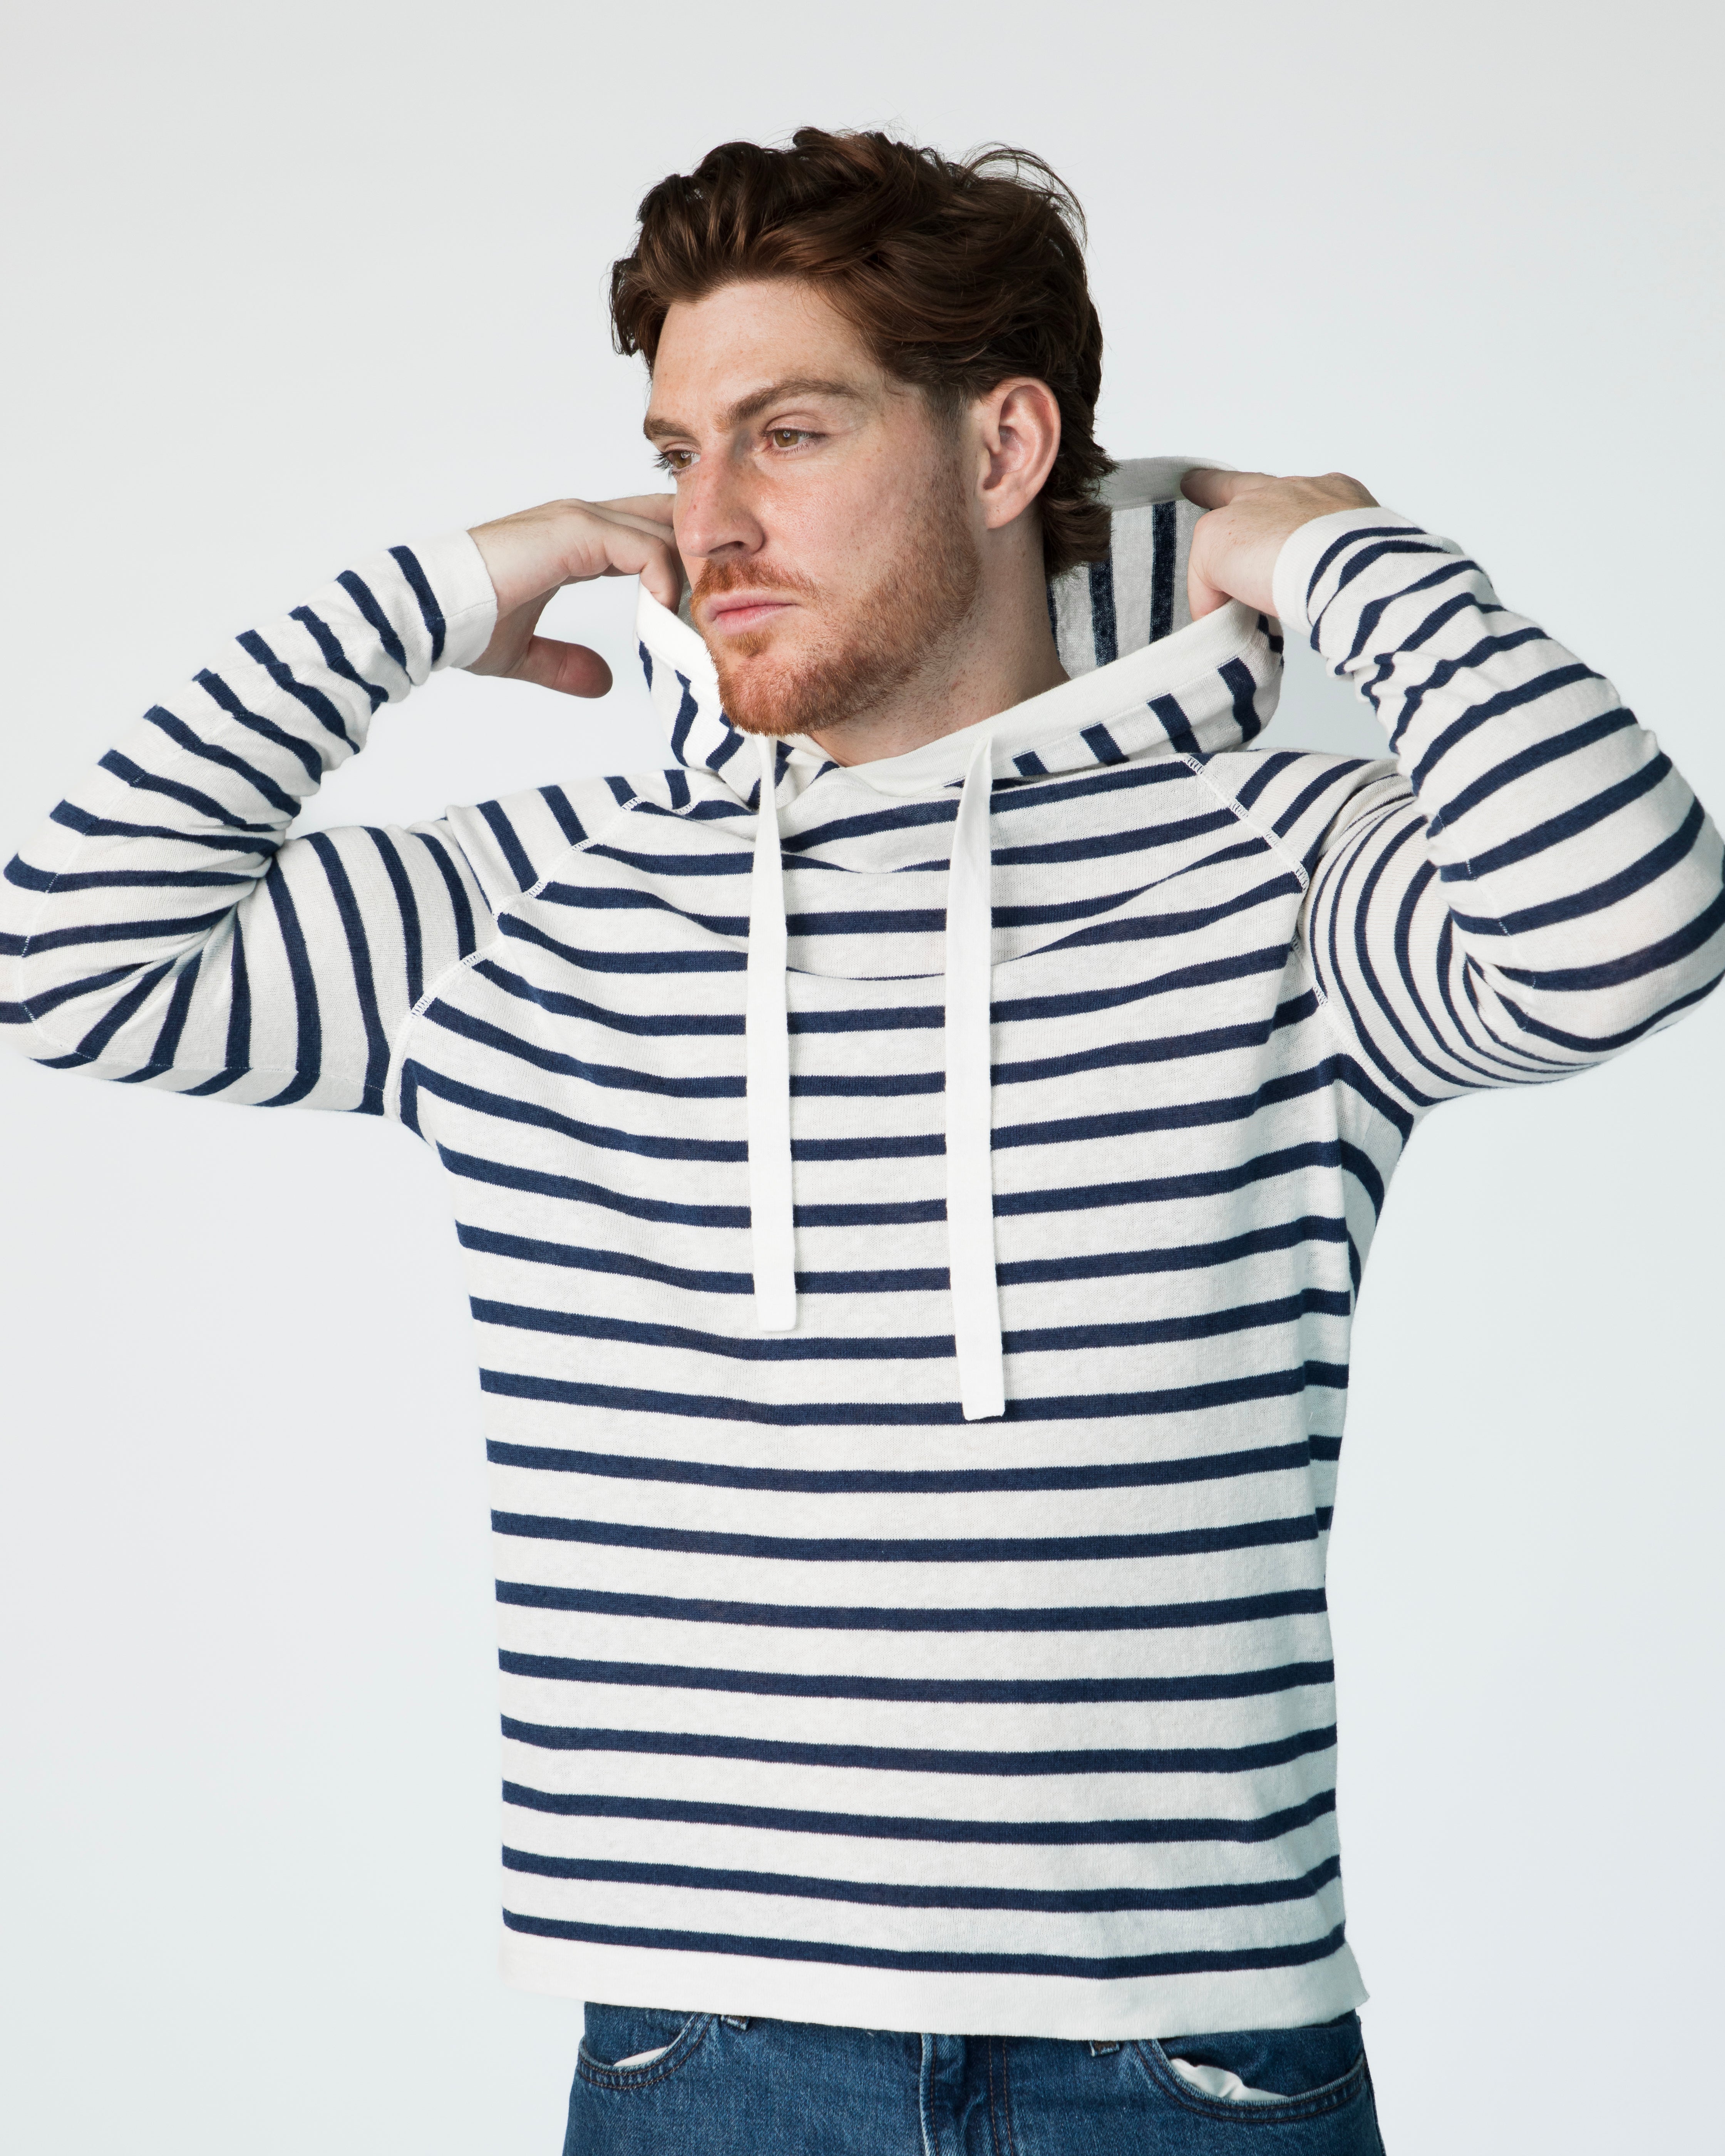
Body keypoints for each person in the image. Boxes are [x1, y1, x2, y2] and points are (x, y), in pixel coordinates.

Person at [2, 126, 1719, 2156]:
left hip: (1189, 2067)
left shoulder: (1282, 873)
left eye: (790, 435)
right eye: (677, 453)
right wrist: (445, 589)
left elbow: (1633, 925)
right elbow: (66, 959)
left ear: (1004, 451)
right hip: (701, 2057)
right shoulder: (539, 900)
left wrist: (1344, 560)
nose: (708, 521)